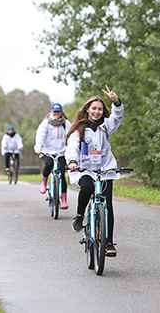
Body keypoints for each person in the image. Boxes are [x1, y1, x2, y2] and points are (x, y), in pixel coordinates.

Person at [65, 85, 123, 256]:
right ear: (87, 110)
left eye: (100, 109)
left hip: (105, 169)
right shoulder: (79, 130)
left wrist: (116, 102)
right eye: (94, 108)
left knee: (108, 205)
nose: (97, 111)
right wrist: (73, 161)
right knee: (88, 187)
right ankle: (80, 215)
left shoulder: (106, 126)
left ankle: (108, 243)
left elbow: (118, 117)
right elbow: (72, 147)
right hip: (84, 169)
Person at [34, 103, 71, 209]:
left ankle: (64, 200)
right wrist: (38, 148)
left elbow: (70, 136)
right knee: (49, 163)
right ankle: (44, 182)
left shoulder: (66, 123)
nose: (56, 114)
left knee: (62, 173)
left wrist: (70, 149)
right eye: (54, 112)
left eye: (58, 112)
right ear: (51, 112)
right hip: (47, 151)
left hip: (61, 151)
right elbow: (40, 136)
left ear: (61, 112)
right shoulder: (46, 123)